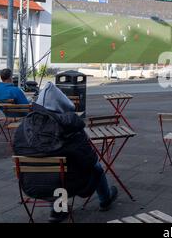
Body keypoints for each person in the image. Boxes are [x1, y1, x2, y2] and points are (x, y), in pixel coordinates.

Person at [13, 82, 118, 223]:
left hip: (30, 185)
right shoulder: (70, 128)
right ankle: (105, 200)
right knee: (96, 167)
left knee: (52, 171)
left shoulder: (22, 127)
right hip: (68, 185)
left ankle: (58, 210)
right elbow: (89, 160)